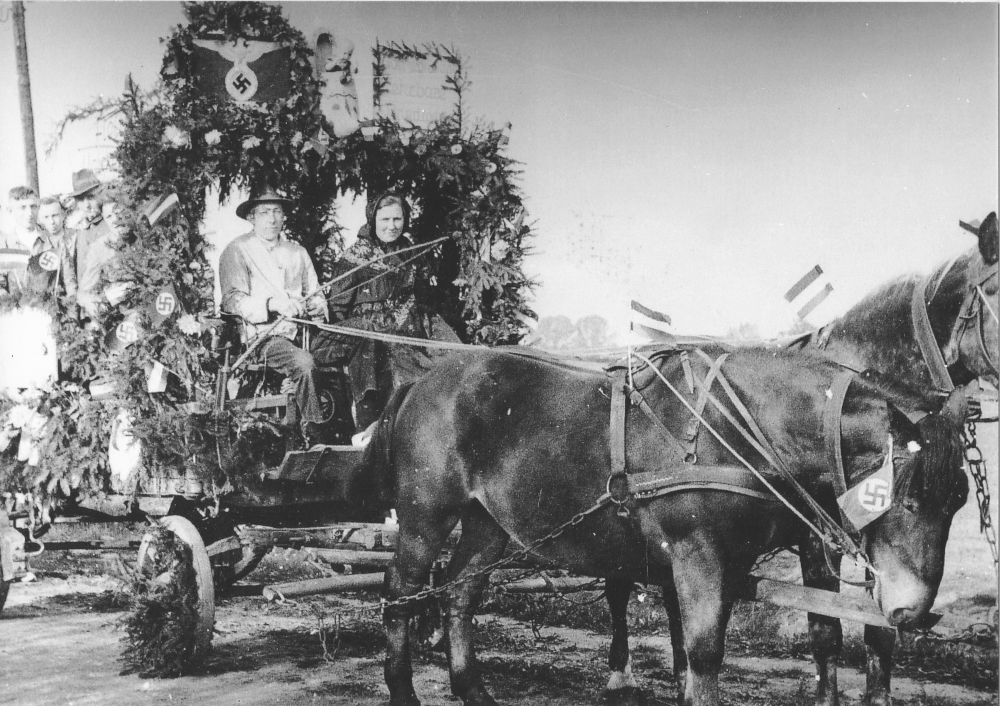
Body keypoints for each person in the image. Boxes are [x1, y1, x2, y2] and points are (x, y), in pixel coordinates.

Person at [219, 184, 342, 441]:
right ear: (251, 216)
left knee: (354, 345)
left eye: (277, 211)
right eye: (265, 212)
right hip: (265, 339)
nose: (272, 218)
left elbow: (317, 295)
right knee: (305, 364)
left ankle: (361, 434)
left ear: (284, 216)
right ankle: (315, 434)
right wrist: (272, 304)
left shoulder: (297, 252)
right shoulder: (237, 250)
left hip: (305, 334)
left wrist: (316, 307)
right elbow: (232, 301)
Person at [327, 192, 459, 429]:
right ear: (372, 220)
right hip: (375, 335)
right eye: (385, 220)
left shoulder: (411, 251)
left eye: (397, 219)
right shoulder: (355, 257)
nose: (392, 226)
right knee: (402, 375)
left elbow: (423, 295)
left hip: (413, 326)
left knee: (455, 360)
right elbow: (337, 306)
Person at [36, 196, 78, 301]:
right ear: (39, 220)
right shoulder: (39, 245)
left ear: (63, 215)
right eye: (46, 217)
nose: (51, 221)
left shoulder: (77, 236)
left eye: (55, 215)